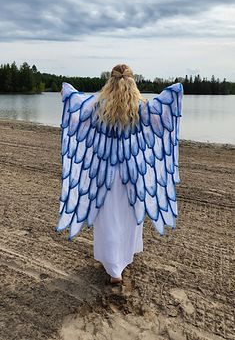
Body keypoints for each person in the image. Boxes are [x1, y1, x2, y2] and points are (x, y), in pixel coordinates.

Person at [56, 64, 183, 285]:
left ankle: (114, 268)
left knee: (108, 220)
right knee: (128, 219)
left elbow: (78, 112)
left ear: (109, 82)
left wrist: (68, 94)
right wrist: (175, 92)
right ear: (132, 82)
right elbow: (161, 118)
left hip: (103, 175)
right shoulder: (141, 108)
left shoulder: (98, 108)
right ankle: (121, 261)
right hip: (132, 175)